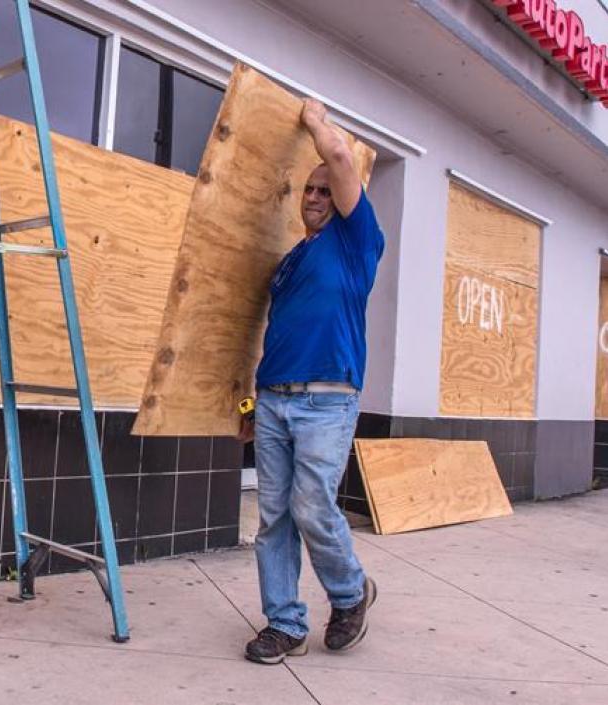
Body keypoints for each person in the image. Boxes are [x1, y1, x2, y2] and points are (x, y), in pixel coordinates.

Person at [242, 99, 384, 665]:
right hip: (275, 400)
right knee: (272, 516)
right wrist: (253, 404)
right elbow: (272, 335)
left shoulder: (356, 242)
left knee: (311, 506)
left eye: (326, 190)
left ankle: (350, 593)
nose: (316, 196)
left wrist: (315, 121)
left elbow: (341, 155)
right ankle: (285, 623)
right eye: (309, 190)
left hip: (329, 400)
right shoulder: (290, 261)